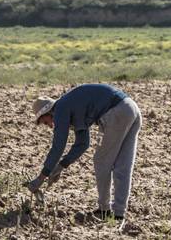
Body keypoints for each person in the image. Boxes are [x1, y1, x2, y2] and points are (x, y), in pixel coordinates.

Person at [28, 84, 141, 220]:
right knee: (123, 165)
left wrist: (42, 177)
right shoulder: (71, 106)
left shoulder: (61, 109)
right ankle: (119, 213)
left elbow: (58, 145)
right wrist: (60, 166)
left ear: (48, 112)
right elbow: (83, 144)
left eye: (46, 122)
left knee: (101, 161)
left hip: (116, 113)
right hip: (131, 108)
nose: (51, 126)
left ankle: (104, 210)